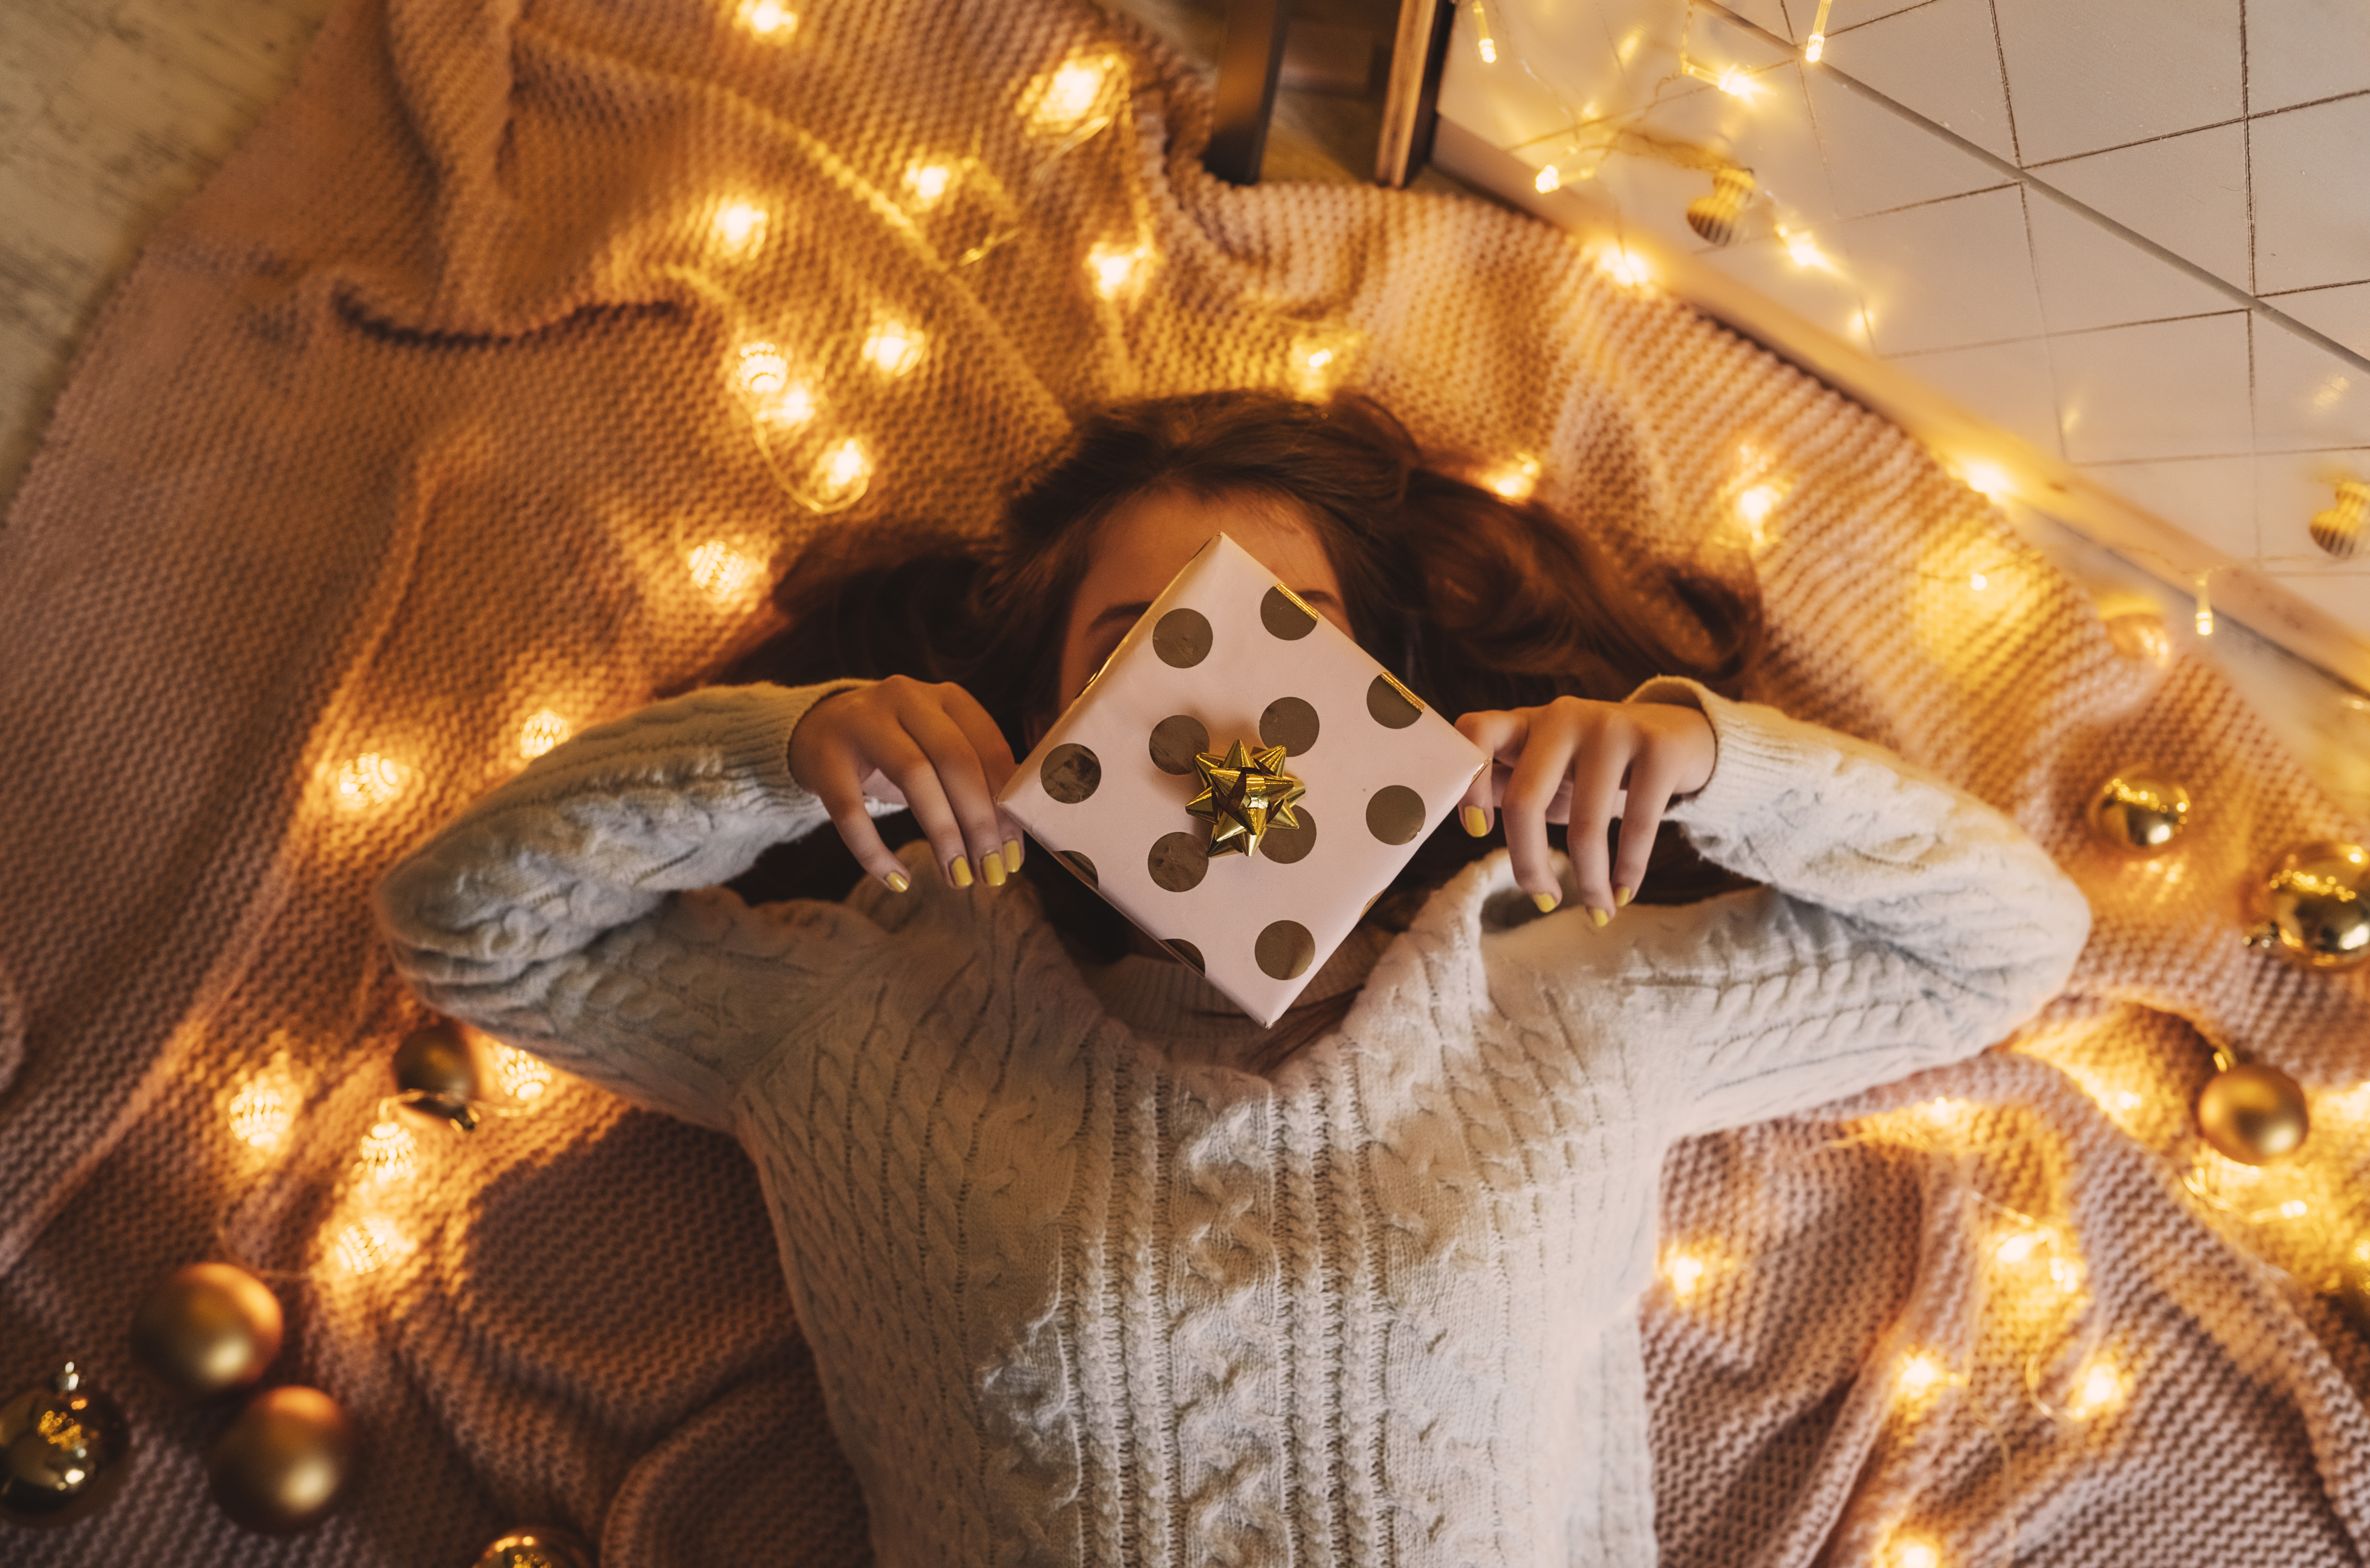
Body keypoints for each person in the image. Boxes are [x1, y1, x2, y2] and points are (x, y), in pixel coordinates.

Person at [376, 390, 2091, 1567]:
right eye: (1133, 646)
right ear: (1044, 703)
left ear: (1384, 687)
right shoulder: (862, 1008)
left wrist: (1709, 764)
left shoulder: (1569, 996)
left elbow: (2009, 944)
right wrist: (783, 753)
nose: (1213, 715)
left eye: (1293, 636)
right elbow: (469, 931)